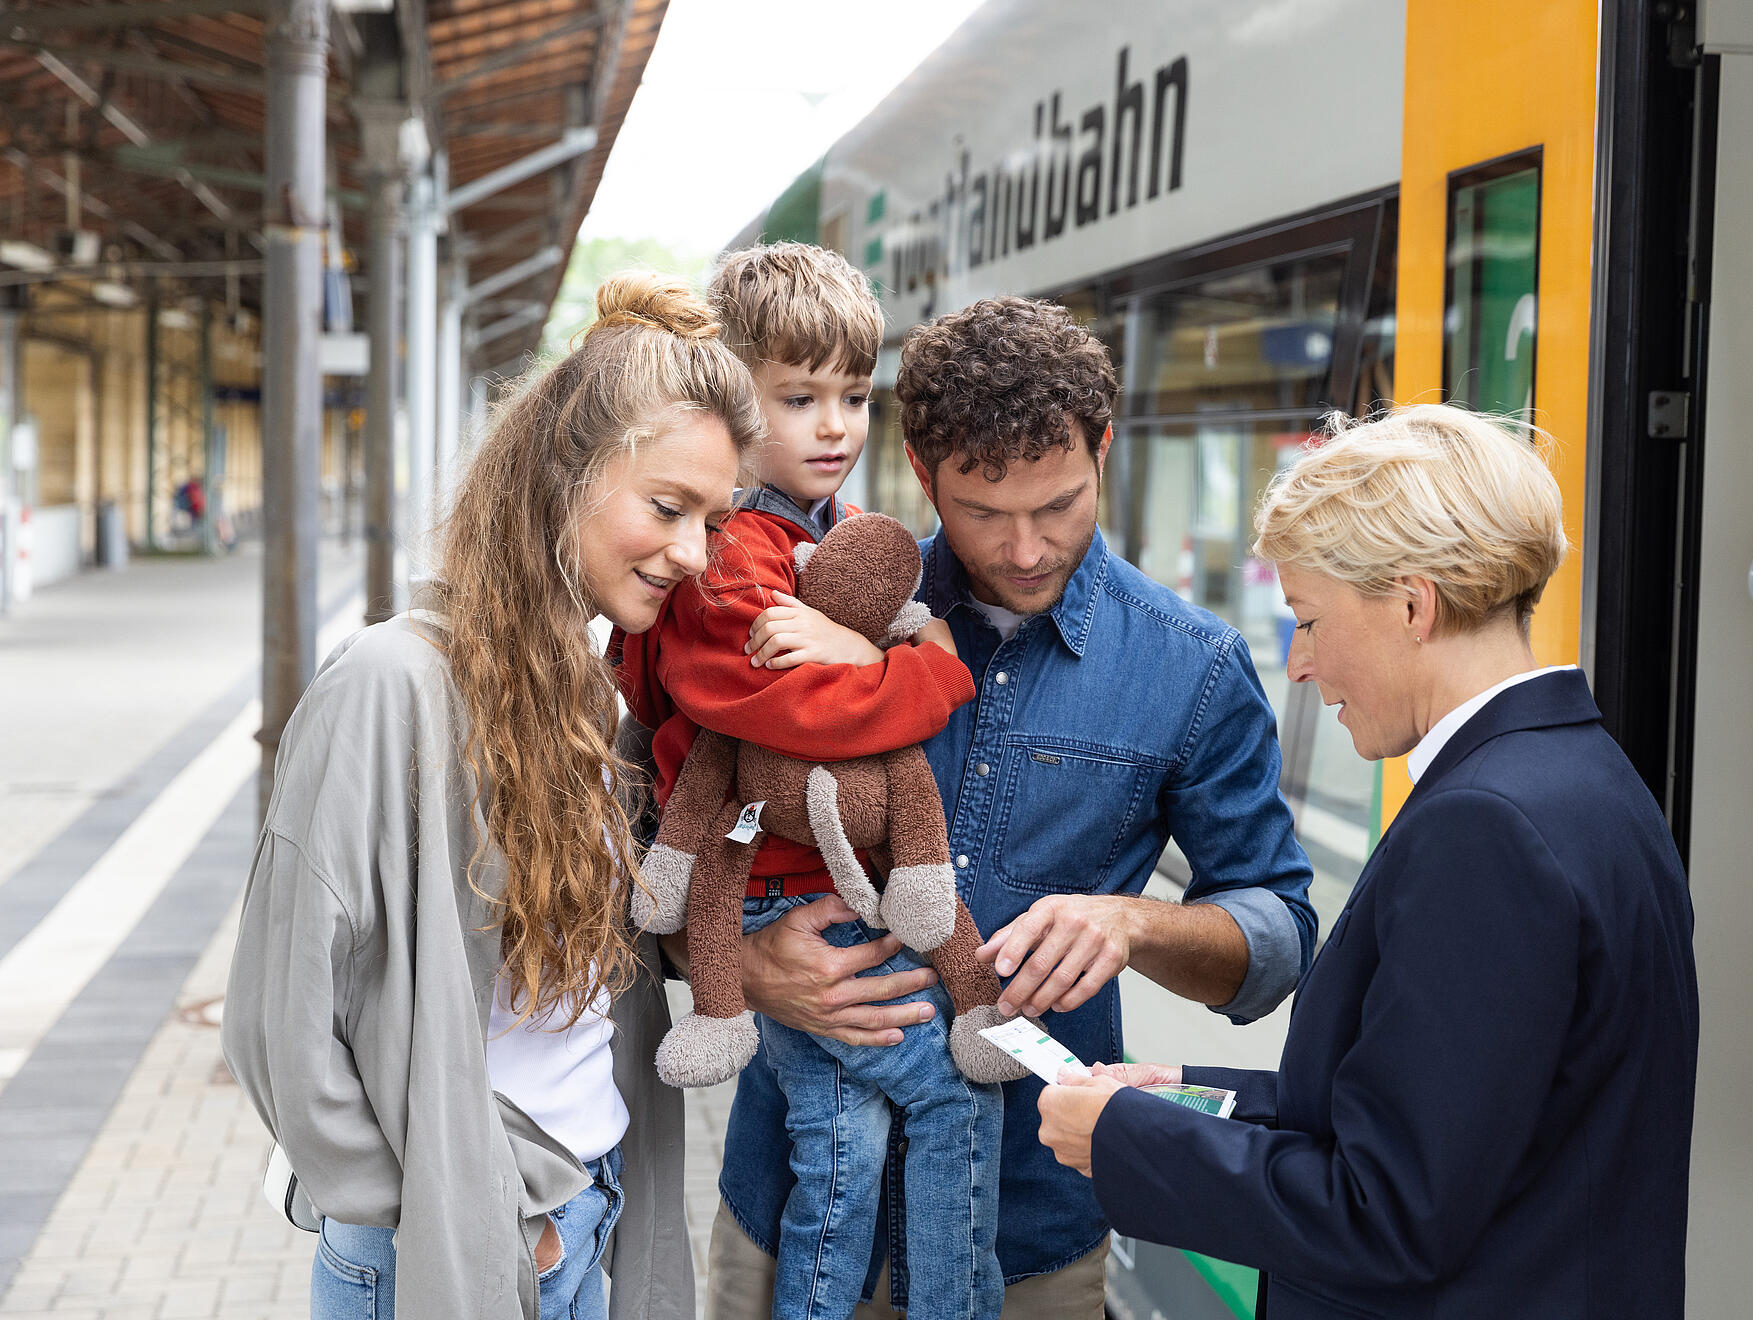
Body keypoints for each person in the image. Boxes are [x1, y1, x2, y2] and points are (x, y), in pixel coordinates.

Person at [704, 296, 1319, 1318]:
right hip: (792, 1208)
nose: (1027, 549)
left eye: (1060, 506)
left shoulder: (1195, 666)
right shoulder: (809, 605)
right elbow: (677, 838)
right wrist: (744, 966)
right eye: (985, 513)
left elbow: (1279, 934)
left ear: (1104, 450)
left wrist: (1132, 924)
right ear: (920, 468)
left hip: (1030, 1233)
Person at [1037, 405, 1701, 1319]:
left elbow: (1387, 1211)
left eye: (1310, 621)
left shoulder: (1484, 830)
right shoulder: (1588, 780)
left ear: (1413, 606)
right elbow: (1446, 1112)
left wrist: (1122, 1141)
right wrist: (1179, 1096)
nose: (1299, 664)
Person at [222, 274, 764, 1320]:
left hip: (586, 1208)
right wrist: (435, 1210)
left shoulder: (590, 696)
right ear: (563, 474)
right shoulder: (391, 685)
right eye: (667, 508)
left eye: (714, 520)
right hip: (459, 1249)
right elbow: (274, 1020)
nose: (694, 555)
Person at [617, 242, 1003, 1319]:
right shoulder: (733, 553)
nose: (835, 426)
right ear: (731, 404)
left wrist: (861, 646)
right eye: (799, 399)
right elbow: (796, 710)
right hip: (777, 891)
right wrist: (925, 669)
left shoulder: (818, 530)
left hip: (803, 882)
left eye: (854, 396)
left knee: (842, 1160)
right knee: (954, 1101)